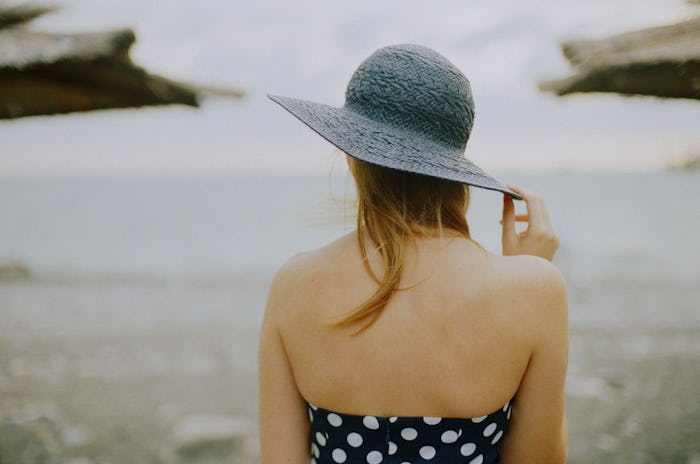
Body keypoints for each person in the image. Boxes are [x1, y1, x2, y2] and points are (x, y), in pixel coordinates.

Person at [259, 44, 568, 464]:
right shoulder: (533, 290)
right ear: (454, 167)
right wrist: (531, 269)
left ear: (352, 157)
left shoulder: (293, 284)